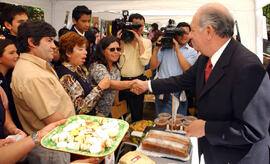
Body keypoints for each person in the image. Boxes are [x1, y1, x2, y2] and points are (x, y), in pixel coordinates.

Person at [132, 3, 270, 164]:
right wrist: (147, 85)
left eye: (193, 31)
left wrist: (206, 128)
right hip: (213, 152)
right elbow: (181, 80)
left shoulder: (247, 67)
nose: (189, 36)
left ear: (209, 31)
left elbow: (253, 130)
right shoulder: (206, 58)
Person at [12, 20, 76, 164]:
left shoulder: (36, 67)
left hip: (54, 142)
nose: (54, 46)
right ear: (32, 42)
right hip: (51, 146)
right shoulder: (33, 75)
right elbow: (55, 121)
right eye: (49, 41)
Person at [55, 31, 110, 115]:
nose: (85, 52)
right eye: (80, 49)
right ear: (68, 53)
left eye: (85, 49)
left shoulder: (78, 68)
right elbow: (80, 109)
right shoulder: (66, 76)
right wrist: (99, 88)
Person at [149, 22, 198, 116]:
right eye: (180, 33)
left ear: (190, 34)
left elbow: (186, 68)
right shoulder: (165, 48)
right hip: (163, 88)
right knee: (162, 120)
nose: (184, 36)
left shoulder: (192, 52)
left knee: (179, 121)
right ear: (175, 34)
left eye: (186, 33)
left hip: (179, 90)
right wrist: (156, 49)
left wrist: (177, 49)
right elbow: (152, 67)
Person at [89, 36, 136, 117]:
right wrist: (133, 83)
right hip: (95, 112)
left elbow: (116, 88)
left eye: (118, 49)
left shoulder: (115, 68)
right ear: (103, 51)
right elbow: (109, 84)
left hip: (108, 112)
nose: (116, 52)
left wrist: (116, 104)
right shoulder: (97, 66)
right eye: (112, 49)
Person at [117, 13, 152, 122]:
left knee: (137, 115)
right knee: (120, 116)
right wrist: (121, 44)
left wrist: (139, 42)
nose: (138, 29)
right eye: (135, 26)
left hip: (138, 82)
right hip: (122, 82)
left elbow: (144, 61)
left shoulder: (147, 42)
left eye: (140, 26)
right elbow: (119, 64)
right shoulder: (122, 41)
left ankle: (136, 136)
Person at [0, 5, 28, 130]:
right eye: (20, 22)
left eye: (27, 22)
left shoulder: (27, 41)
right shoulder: (4, 42)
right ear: (8, 25)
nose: (16, 56)